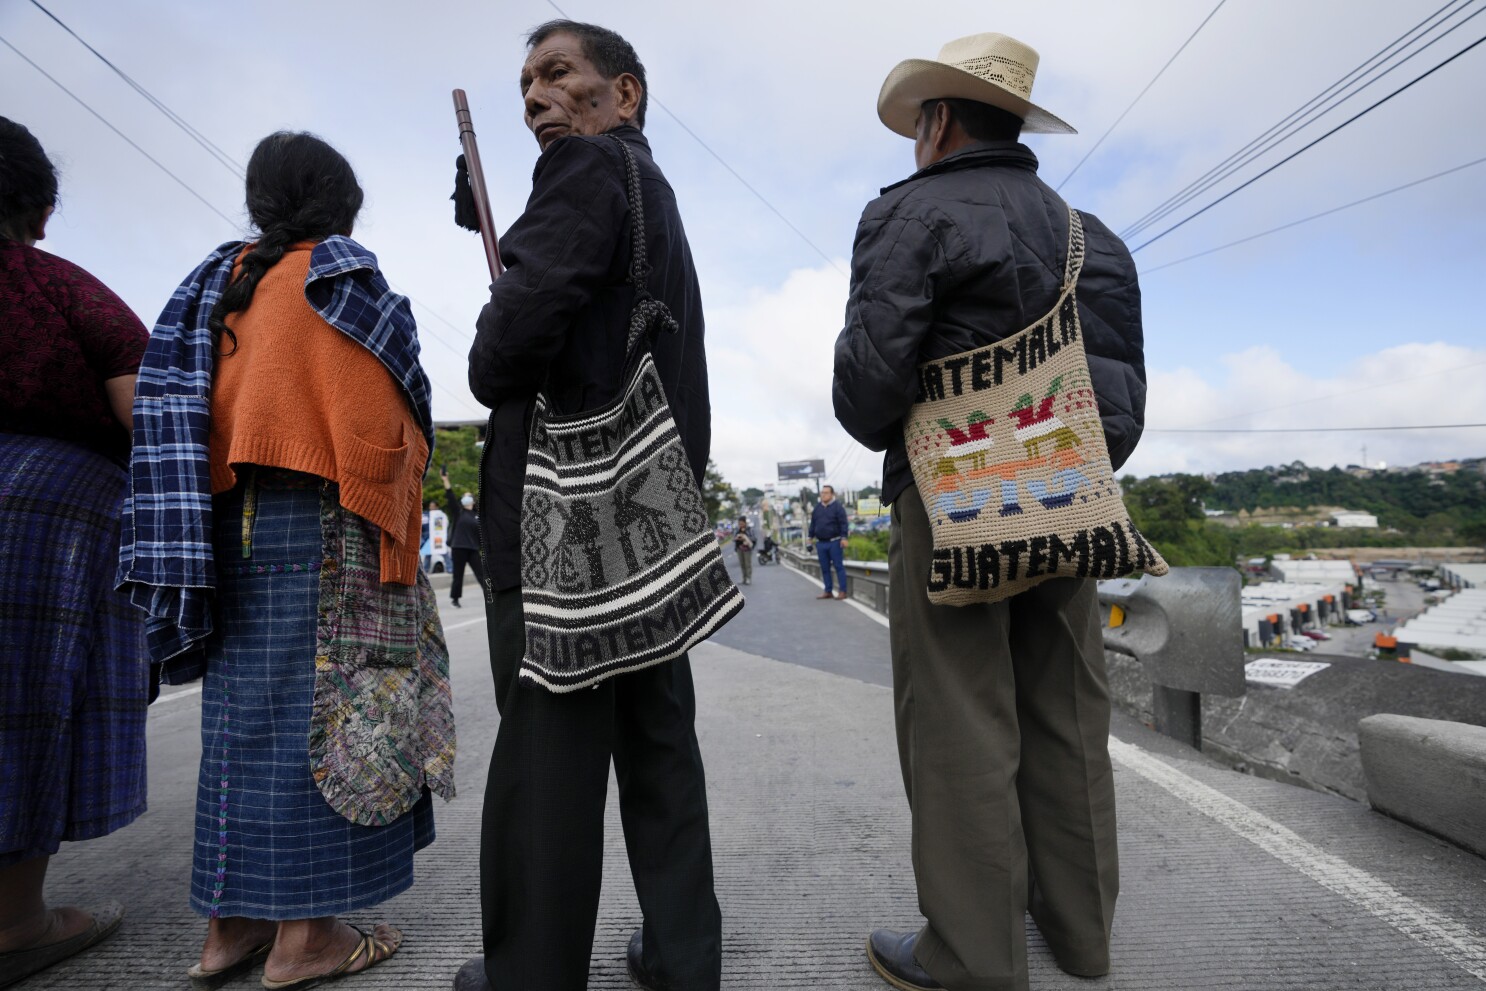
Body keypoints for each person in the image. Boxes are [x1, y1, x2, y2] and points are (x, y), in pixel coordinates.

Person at [832, 33, 1144, 991]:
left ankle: (971, 953)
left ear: (938, 122)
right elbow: (1120, 407)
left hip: (949, 505)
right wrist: (1046, 466)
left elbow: (867, 393)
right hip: (1065, 499)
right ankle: (1082, 935)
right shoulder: (1093, 235)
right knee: (1067, 711)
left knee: (961, 720)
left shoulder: (908, 217)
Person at [117, 131, 455, 990]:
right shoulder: (339, 281)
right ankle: (308, 941)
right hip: (328, 523)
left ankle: (229, 930)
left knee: (240, 724)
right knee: (336, 717)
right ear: (340, 201)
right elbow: (380, 422)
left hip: (227, 523)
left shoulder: (222, 289)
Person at [455, 20, 720, 991]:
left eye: (558, 73)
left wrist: (501, 313)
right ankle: (685, 956)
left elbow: (508, 348)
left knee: (548, 753)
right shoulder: (652, 189)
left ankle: (530, 970)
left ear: (625, 91)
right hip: (653, 509)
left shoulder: (583, 171)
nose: (534, 95)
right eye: (526, 80)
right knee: (658, 741)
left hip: (560, 509)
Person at [0, 117, 150, 987]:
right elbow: (145, 413)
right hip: (44, 509)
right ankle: (16, 921)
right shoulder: (62, 289)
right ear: (41, 209)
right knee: (26, 693)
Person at [440, 469, 484, 607]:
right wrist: (445, 480)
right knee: (458, 575)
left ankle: (490, 596)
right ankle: (455, 599)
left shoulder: (478, 515)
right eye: (464, 496)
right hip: (459, 548)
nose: (466, 498)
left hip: (473, 548)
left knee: (481, 573)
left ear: (472, 499)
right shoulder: (459, 512)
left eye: (468, 496)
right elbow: (451, 496)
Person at [809, 485, 850, 600]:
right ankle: (828, 591)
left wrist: (844, 537)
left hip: (835, 542)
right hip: (821, 543)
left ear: (832, 494)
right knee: (824, 568)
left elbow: (843, 523)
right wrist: (809, 537)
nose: (824, 495)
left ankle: (842, 591)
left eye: (826, 493)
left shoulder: (838, 507)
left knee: (838, 566)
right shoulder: (817, 508)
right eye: (822, 493)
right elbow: (813, 524)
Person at [733, 515, 755, 585]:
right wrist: (737, 538)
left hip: (747, 549)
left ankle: (748, 578)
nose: (740, 525)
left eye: (742, 523)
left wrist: (745, 538)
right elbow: (733, 538)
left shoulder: (749, 529)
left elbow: (754, 538)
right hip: (739, 548)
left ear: (745, 523)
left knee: (747, 564)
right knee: (742, 564)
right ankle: (744, 578)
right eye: (739, 523)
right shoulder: (737, 529)